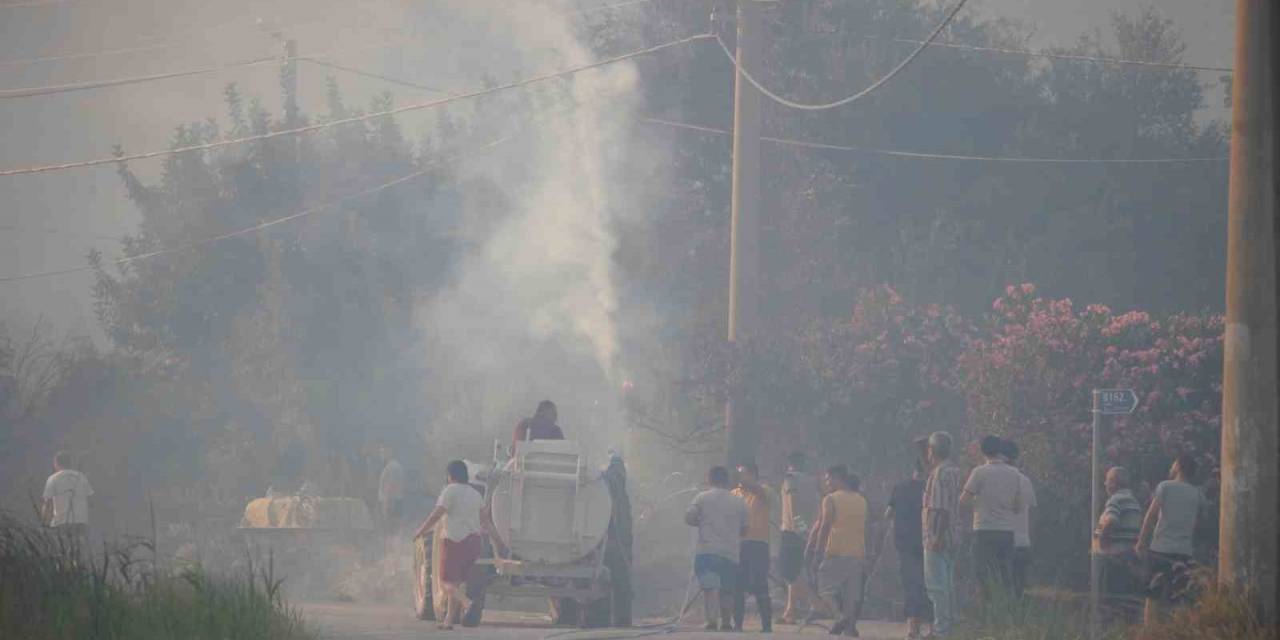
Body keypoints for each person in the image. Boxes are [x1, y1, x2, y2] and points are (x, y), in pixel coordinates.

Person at [414, 460, 486, 630]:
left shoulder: (450, 491)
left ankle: (468, 603)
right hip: (474, 542)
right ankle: (448, 621)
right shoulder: (476, 494)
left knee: (445, 582)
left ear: (450, 476)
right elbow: (485, 520)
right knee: (456, 583)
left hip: (455, 541)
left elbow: (436, 515)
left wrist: (420, 531)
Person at [1135, 454, 1204, 624]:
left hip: (1160, 549)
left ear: (1178, 466)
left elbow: (1151, 517)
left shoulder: (1165, 487)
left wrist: (1141, 542)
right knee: (1180, 596)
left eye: (1174, 462)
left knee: (1153, 595)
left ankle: (1149, 632)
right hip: (1183, 551)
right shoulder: (1198, 494)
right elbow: (1198, 525)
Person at [805, 464, 868, 637]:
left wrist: (818, 552)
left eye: (828, 479)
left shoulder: (831, 499)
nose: (826, 483)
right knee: (851, 595)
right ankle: (850, 628)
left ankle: (838, 617)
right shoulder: (861, 500)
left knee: (823, 589)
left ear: (837, 478)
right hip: (857, 554)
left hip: (835, 552)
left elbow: (825, 526)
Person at [959, 435, 1023, 599]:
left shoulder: (979, 472)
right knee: (1005, 575)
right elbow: (1018, 506)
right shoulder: (1015, 473)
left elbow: (963, 500)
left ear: (983, 451)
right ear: (999, 449)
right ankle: (1005, 613)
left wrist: (980, 505)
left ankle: (985, 613)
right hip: (1007, 531)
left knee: (983, 576)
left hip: (984, 529)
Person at [686, 466, 748, 632]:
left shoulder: (702, 497)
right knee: (727, 589)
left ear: (709, 479)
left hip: (707, 551)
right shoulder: (739, 501)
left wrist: (699, 521)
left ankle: (712, 622)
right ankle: (727, 623)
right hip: (730, 553)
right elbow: (744, 529)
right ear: (726, 480)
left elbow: (689, 517)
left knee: (710, 587)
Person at [922, 431, 964, 637]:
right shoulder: (955, 470)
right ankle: (951, 626)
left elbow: (939, 508)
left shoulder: (939, 473)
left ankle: (941, 630)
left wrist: (935, 536)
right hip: (955, 533)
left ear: (932, 450)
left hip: (939, 535)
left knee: (936, 585)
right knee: (947, 583)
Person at [886, 457, 931, 639]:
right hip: (928, 542)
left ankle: (912, 629)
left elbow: (888, 513)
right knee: (929, 585)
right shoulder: (930, 488)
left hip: (905, 544)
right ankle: (933, 627)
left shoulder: (900, 487)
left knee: (910, 584)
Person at [1095, 466, 1144, 619]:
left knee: (1109, 603)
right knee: (1123, 603)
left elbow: (1111, 521)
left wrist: (1102, 543)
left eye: (1107, 480)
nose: (1105, 484)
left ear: (1114, 483)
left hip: (1114, 558)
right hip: (1128, 556)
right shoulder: (1133, 500)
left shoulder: (1116, 499)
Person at [779, 451, 822, 624]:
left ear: (790, 463)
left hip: (793, 531)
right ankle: (790, 611)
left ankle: (816, 603)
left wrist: (800, 528)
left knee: (787, 571)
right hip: (809, 531)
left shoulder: (790, 479)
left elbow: (792, 506)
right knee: (796, 571)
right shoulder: (813, 481)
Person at [731, 462, 773, 632]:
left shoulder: (764, 490)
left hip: (758, 544)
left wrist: (747, 483)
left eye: (744, 473)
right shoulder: (733, 494)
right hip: (737, 544)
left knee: (760, 584)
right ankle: (738, 625)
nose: (740, 477)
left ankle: (767, 627)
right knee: (737, 586)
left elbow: (761, 492)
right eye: (739, 474)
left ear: (754, 474)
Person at [1003, 440, 1036, 599]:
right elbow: (1032, 511)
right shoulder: (1025, 480)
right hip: (1022, 541)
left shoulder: (992, 476)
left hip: (1001, 540)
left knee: (1000, 588)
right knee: (1018, 590)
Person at [42, 450, 93, 545]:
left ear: (56, 463)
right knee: (79, 549)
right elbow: (90, 500)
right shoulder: (81, 477)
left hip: (61, 523)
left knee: (62, 550)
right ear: (69, 463)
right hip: (80, 523)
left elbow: (47, 503)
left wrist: (44, 523)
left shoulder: (53, 479)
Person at [378, 447, 406, 534]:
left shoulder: (391, 467)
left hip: (391, 502)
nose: (381, 454)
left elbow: (389, 485)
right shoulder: (396, 465)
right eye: (380, 452)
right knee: (395, 531)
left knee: (390, 531)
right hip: (395, 501)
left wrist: (386, 504)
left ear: (389, 452)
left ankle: (391, 547)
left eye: (382, 452)